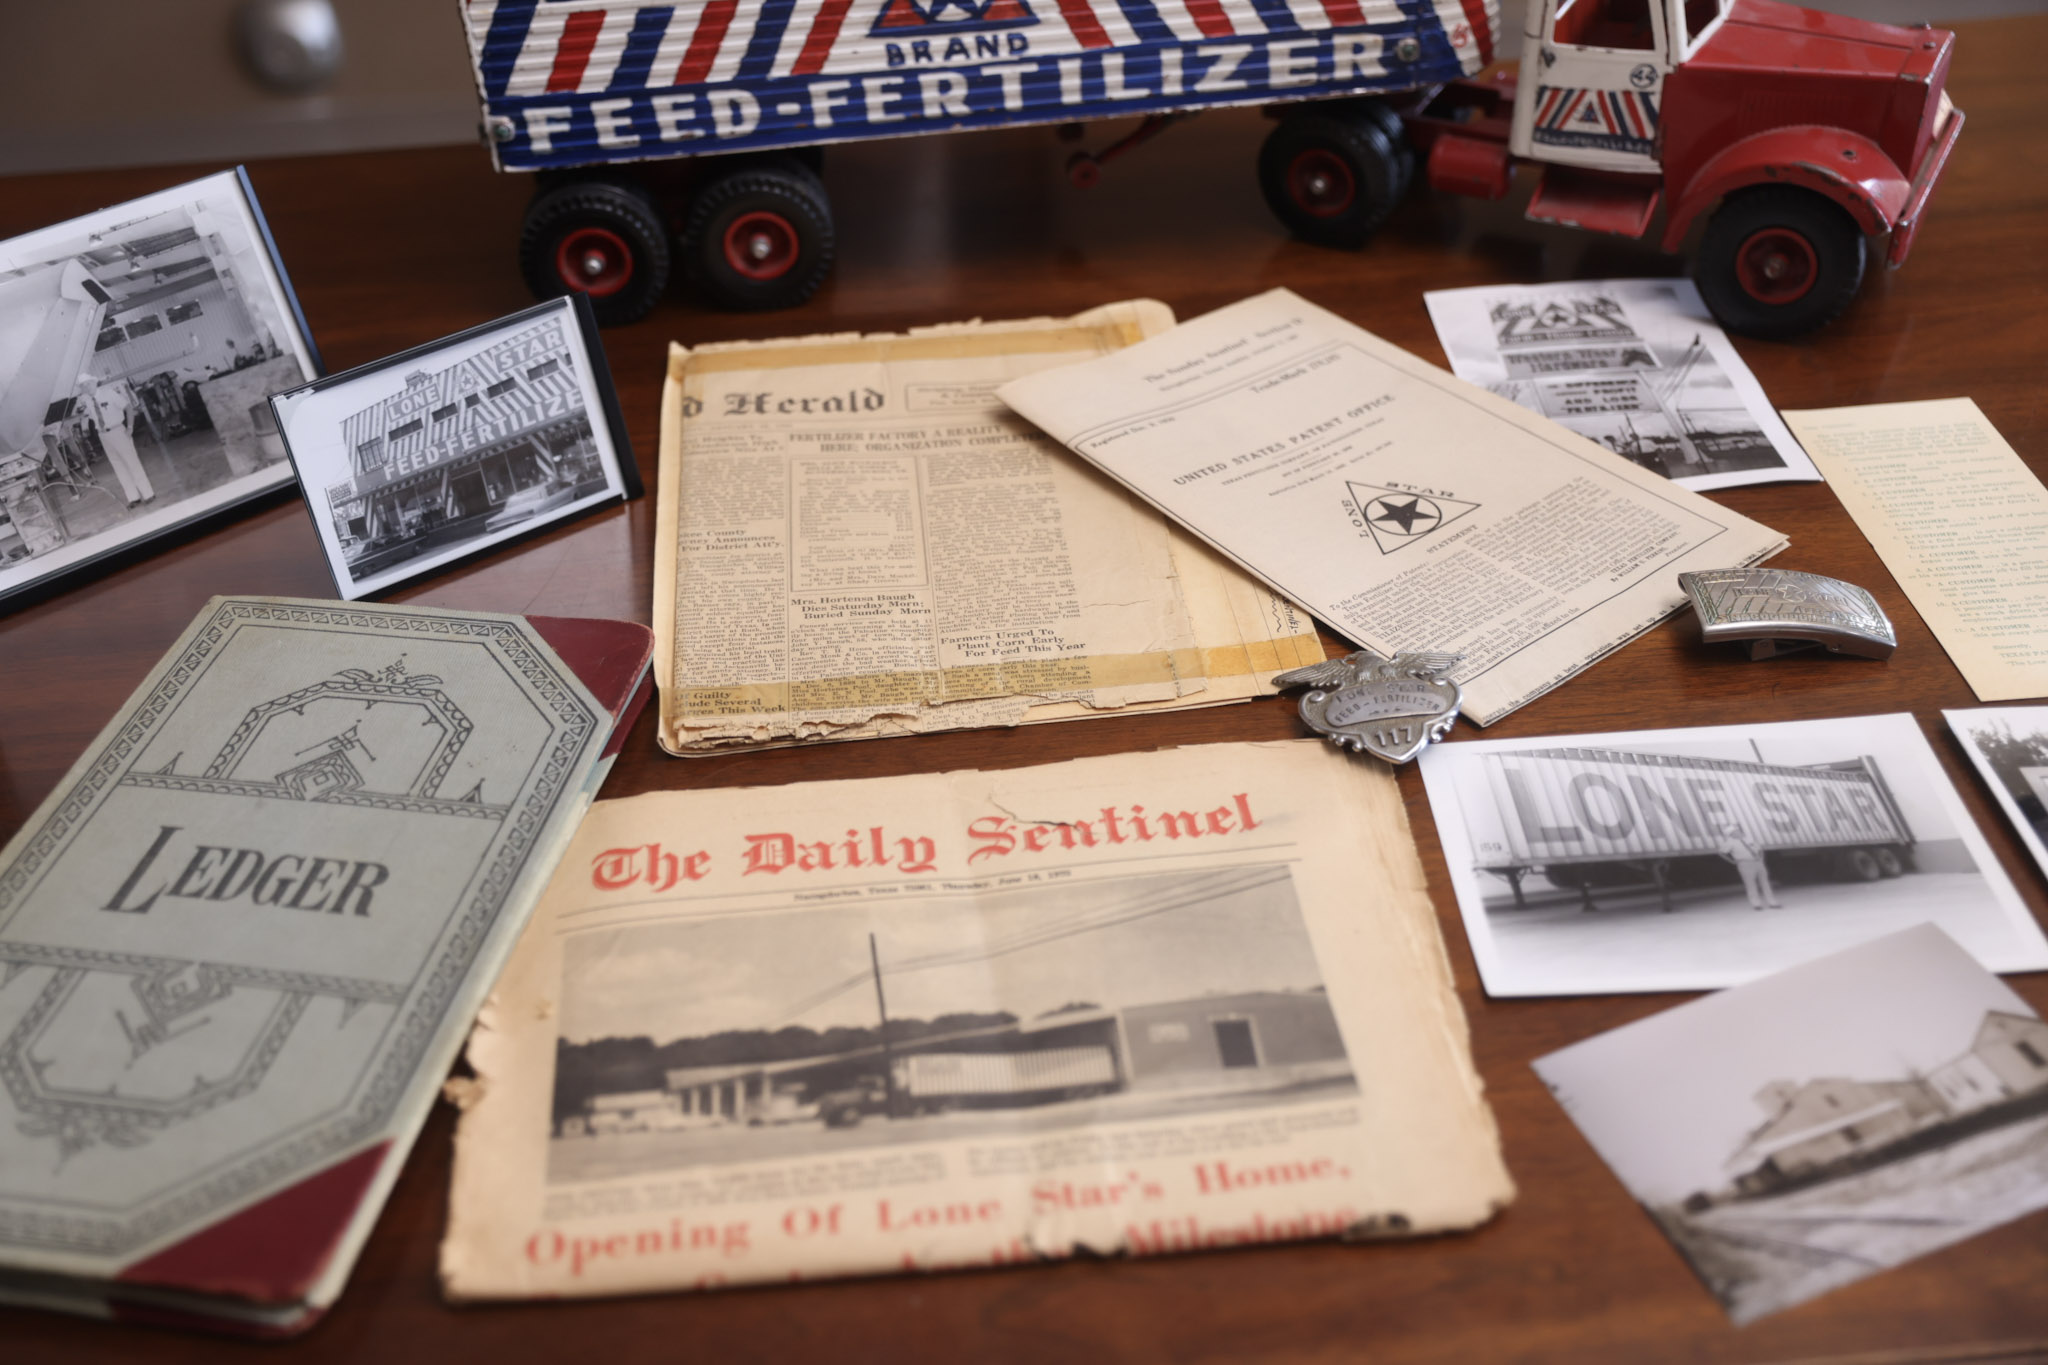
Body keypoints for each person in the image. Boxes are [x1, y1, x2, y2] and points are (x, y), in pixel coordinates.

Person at [87, 379, 153, 507]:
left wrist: (130, 427)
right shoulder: (88, 401)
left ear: (94, 383)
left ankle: (148, 494)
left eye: (88, 384)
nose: (86, 387)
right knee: (118, 467)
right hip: (103, 435)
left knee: (132, 463)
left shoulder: (109, 393)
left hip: (118, 431)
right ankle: (133, 498)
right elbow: (93, 418)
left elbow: (128, 407)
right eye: (83, 386)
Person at [1717, 821, 1781, 910]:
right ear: (1731, 834)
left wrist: (1761, 858)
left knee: (1765, 882)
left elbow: (1760, 849)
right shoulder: (1729, 842)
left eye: (1738, 830)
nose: (1738, 832)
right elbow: (1721, 853)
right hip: (1745, 863)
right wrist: (1732, 861)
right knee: (1750, 884)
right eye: (1735, 831)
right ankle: (1756, 904)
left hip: (1758, 862)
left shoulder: (1749, 838)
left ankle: (1772, 902)